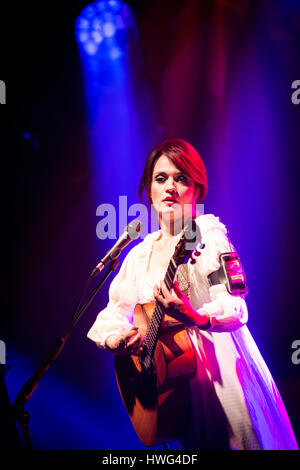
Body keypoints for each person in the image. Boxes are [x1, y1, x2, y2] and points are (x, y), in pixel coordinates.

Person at [87, 139, 298, 450]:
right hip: (173, 390)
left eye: (181, 178)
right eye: (161, 178)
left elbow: (236, 306)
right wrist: (118, 340)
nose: (170, 186)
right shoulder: (137, 255)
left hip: (223, 379)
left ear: (196, 190)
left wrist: (196, 317)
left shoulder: (208, 236)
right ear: (149, 190)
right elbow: (110, 315)